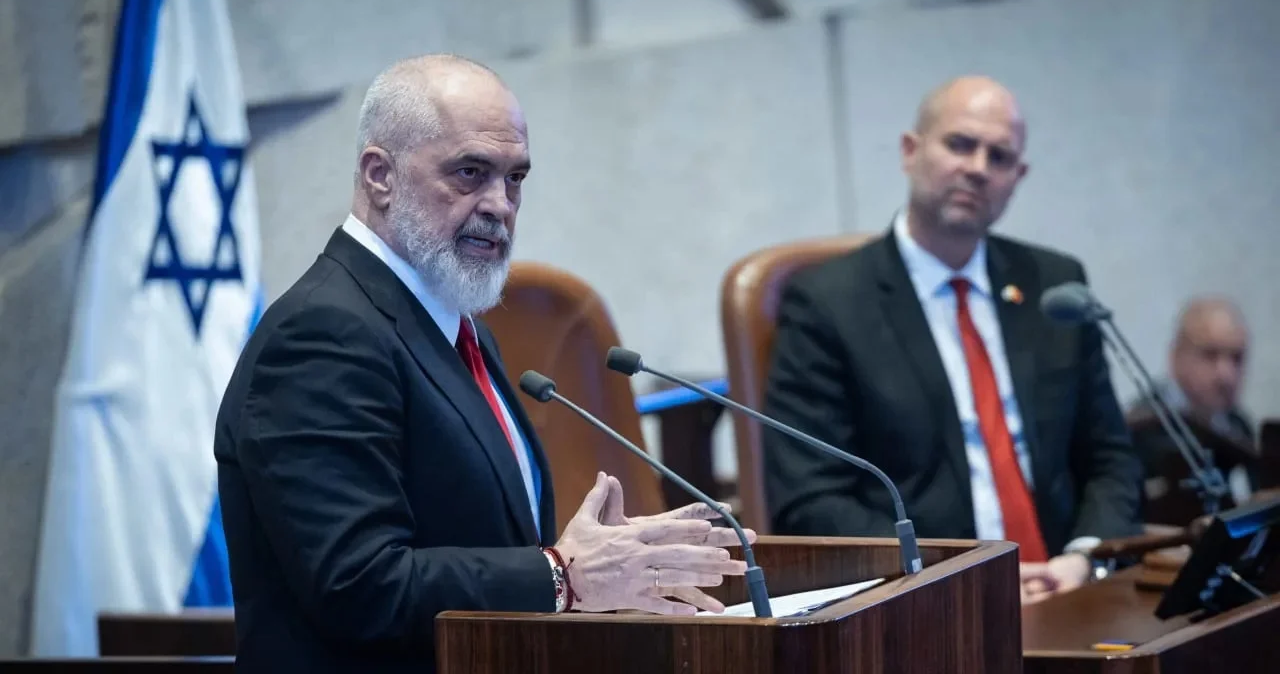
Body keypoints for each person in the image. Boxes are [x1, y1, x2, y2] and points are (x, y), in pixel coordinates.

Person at [214, 54, 752, 673]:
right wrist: (562, 575)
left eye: (515, 178)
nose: (500, 204)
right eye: (469, 173)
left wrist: (598, 568)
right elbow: (358, 585)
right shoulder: (321, 336)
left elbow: (483, 540)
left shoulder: (453, 324)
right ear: (379, 175)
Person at [761, 75, 1143, 604]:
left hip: (1070, 591)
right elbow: (811, 499)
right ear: (910, 151)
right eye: (960, 144)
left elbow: (1110, 458)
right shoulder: (829, 303)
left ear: (1018, 176)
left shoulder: (1053, 286)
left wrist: (1086, 557)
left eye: (999, 156)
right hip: (930, 604)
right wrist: (960, 576)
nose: (978, 168)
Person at [1128, 297, 1257, 505]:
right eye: (1210, 355)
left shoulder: (1239, 427)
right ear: (1176, 356)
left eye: (1237, 358)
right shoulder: (1141, 429)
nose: (1226, 374)